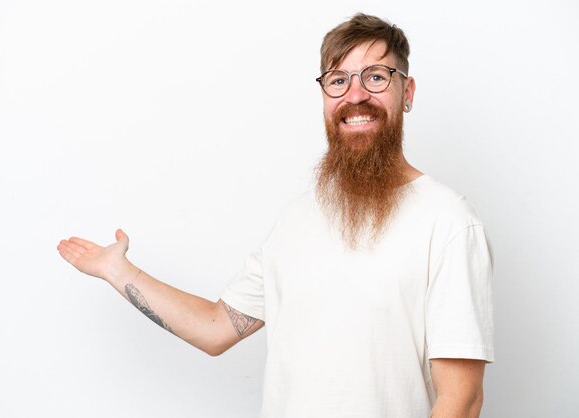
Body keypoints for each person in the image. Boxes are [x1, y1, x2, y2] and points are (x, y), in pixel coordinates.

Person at [57, 13, 494, 418]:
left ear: (407, 92)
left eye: (376, 77)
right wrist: (119, 271)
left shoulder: (448, 221)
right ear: (324, 97)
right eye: (338, 80)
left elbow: (462, 398)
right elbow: (215, 328)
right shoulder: (296, 220)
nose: (355, 95)